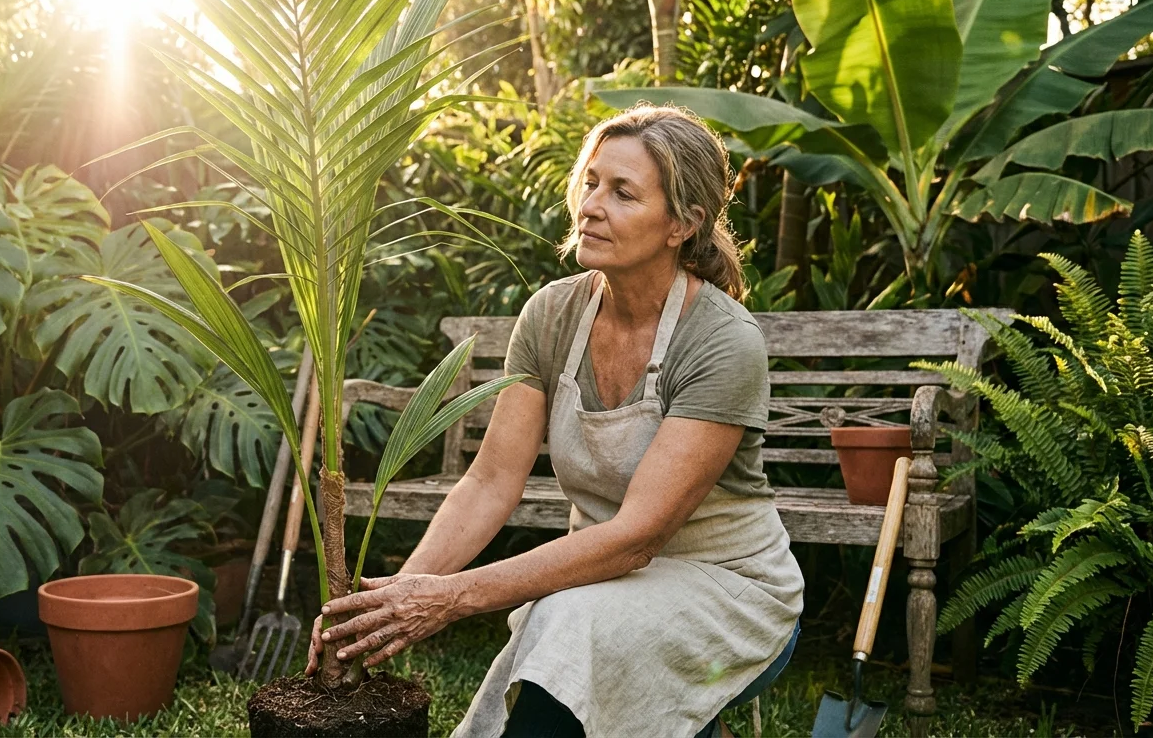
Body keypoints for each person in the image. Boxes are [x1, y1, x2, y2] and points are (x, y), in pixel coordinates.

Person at [307, 104, 804, 738]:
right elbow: (490, 481)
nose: (591, 204)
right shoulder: (552, 315)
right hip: (598, 581)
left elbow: (636, 537)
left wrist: (450, 600)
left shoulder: (722, 341)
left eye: (623, 193)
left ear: (682, 222)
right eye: (591, 181)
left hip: (730, 591)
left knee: (569, 623)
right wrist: (395, 601)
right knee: (571, 617)